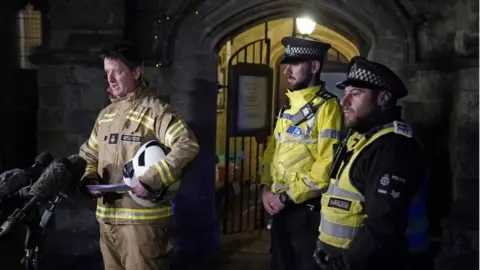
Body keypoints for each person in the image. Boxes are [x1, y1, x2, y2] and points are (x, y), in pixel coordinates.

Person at [77, 41, 199, 270]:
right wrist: (89, 178)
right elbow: (88, 154)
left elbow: (186, 145)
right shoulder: (106, 116)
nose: (110, 79)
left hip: (142, 227)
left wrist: (152, 178)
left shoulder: (157, 112)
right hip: (107, 222)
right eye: (107, 73)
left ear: (136, 72)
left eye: (118, 72)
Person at [314, 56, 427, 270]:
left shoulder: (393, 148)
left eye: (355, 94)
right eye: (345, 93)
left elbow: (383, 227)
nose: (343, 102)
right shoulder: (364, 140)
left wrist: (342, 265)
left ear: (383, 99)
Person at [260, 36, 343, 270]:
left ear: (315, 67)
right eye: (287, 63)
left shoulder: (328, 108)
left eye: (295, 63)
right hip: (279, 209)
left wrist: (285, 197)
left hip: (306, 213)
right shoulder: (287, 107)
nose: (287, 70)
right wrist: (265, 188)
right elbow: (271, 153)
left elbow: (326, 166)